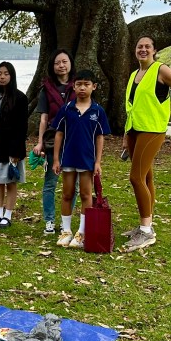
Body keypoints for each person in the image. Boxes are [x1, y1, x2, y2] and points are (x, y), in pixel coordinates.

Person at [122, 36, 171, 251]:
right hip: (135, 128)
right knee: (146, 176)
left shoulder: (160, 69)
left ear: (154, 50)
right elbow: (131, 105)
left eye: (147, 47)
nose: (143, 50)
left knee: (136, 178)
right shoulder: (135, 74)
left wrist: (167, 107)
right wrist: (126, 135)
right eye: (139, 47)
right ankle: (147, 224)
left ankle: (146, 231)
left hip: (152, 129)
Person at [51, 70, 110, 249]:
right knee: (67, 193)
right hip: (68, 158)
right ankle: (66, 231)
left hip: (87, 161)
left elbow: (100, 137)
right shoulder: (67, 109)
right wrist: (55, 159)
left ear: (94, 87)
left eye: (86, 84)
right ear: (73, 86)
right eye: (79, 84)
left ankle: (82, 232)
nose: (82, 88)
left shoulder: (97, 111)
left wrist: (98, 161)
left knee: (86, 195)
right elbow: (59, 134)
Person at [33, 49, 76, 234]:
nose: (61, 66)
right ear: (52, 66)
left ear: (70, 63)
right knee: (51, 182)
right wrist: (40, 142)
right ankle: (49, 220)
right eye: (57, 63)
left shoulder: (79, 86)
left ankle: (66, 220)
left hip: (75, 140)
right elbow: (43, 118)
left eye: (64, 61)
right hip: (53, 141)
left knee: (72, 183)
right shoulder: (47, 89)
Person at [0, 61, 29, 229]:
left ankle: (8, 214)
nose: (2, 77)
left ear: (12, 76)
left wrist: (16, 151)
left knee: (10, 180)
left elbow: (22, 127)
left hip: (12, 145)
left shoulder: (20, 97)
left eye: (6, 74)